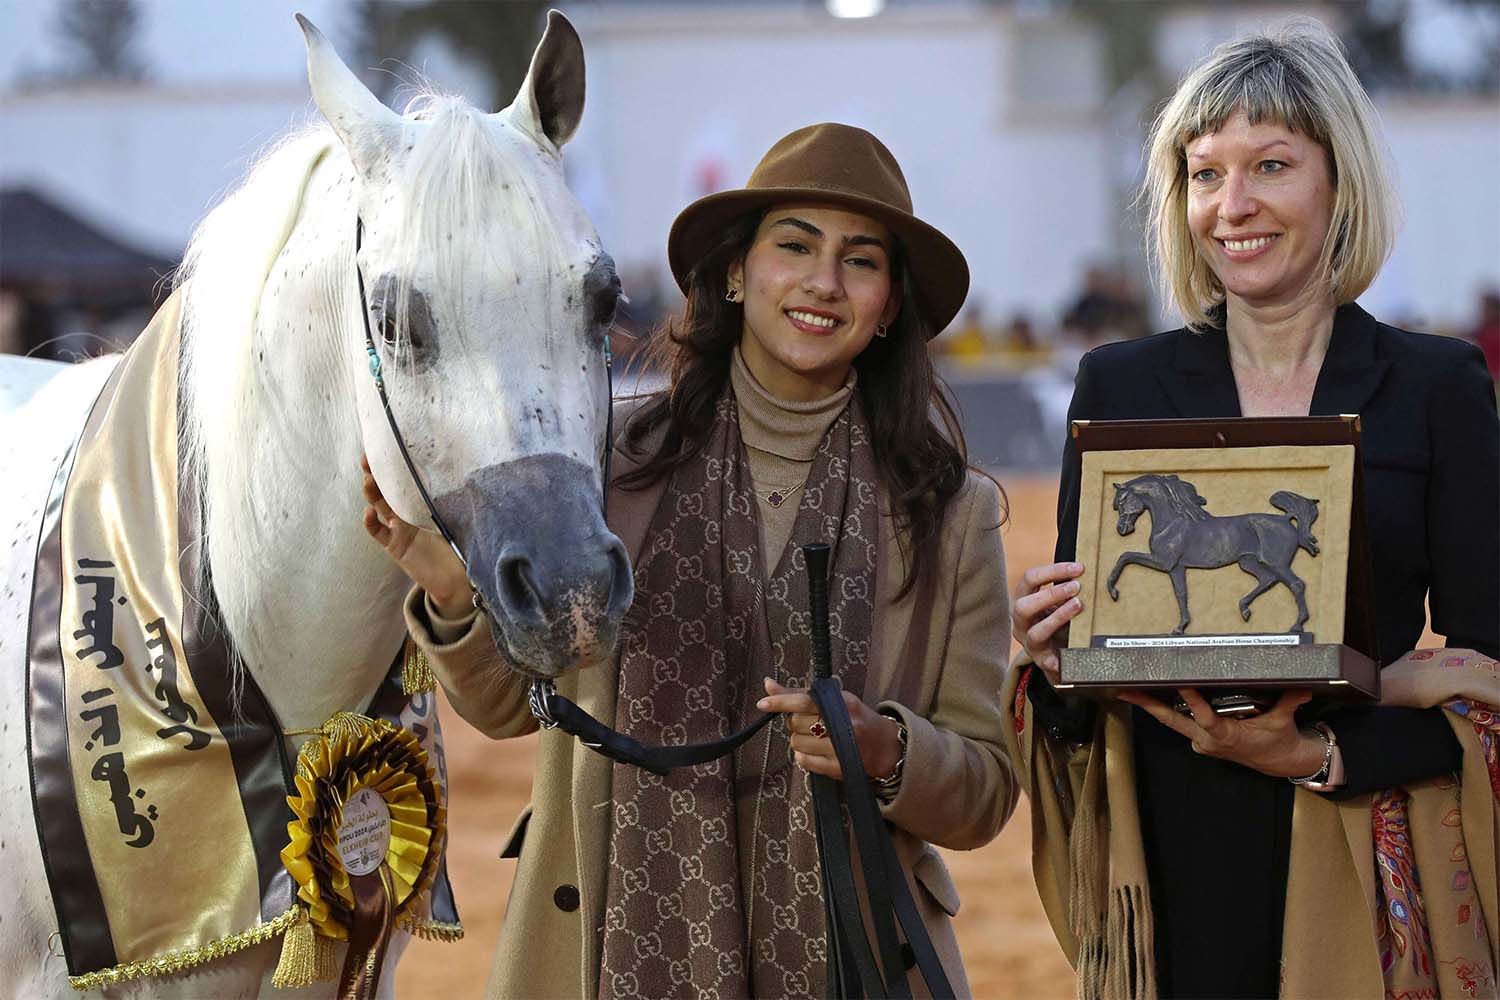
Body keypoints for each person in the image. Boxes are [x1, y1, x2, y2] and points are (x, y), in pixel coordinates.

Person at [363, 123, 1018, 998]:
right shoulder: (604, 463)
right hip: (608, 949)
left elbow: (984, 790)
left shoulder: (951, 513)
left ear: (890, 304)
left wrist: (887, 749)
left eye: (862, 261)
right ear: (738, 273)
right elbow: (514, 707)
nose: (824, 282)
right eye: (795, 246)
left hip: (854, 957)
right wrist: (452, 597)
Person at [1005, 24, 1499, 999]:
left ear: (1337, 182)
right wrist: (1051, 658)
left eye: (1271, 164)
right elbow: (1091, 682)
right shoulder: (1118, 382)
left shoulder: (1437, 385)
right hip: (1174, 862)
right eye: (1204, 174)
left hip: (1363, 852)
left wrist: (1325, 752)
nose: (1232, 207)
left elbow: (1491, 676)